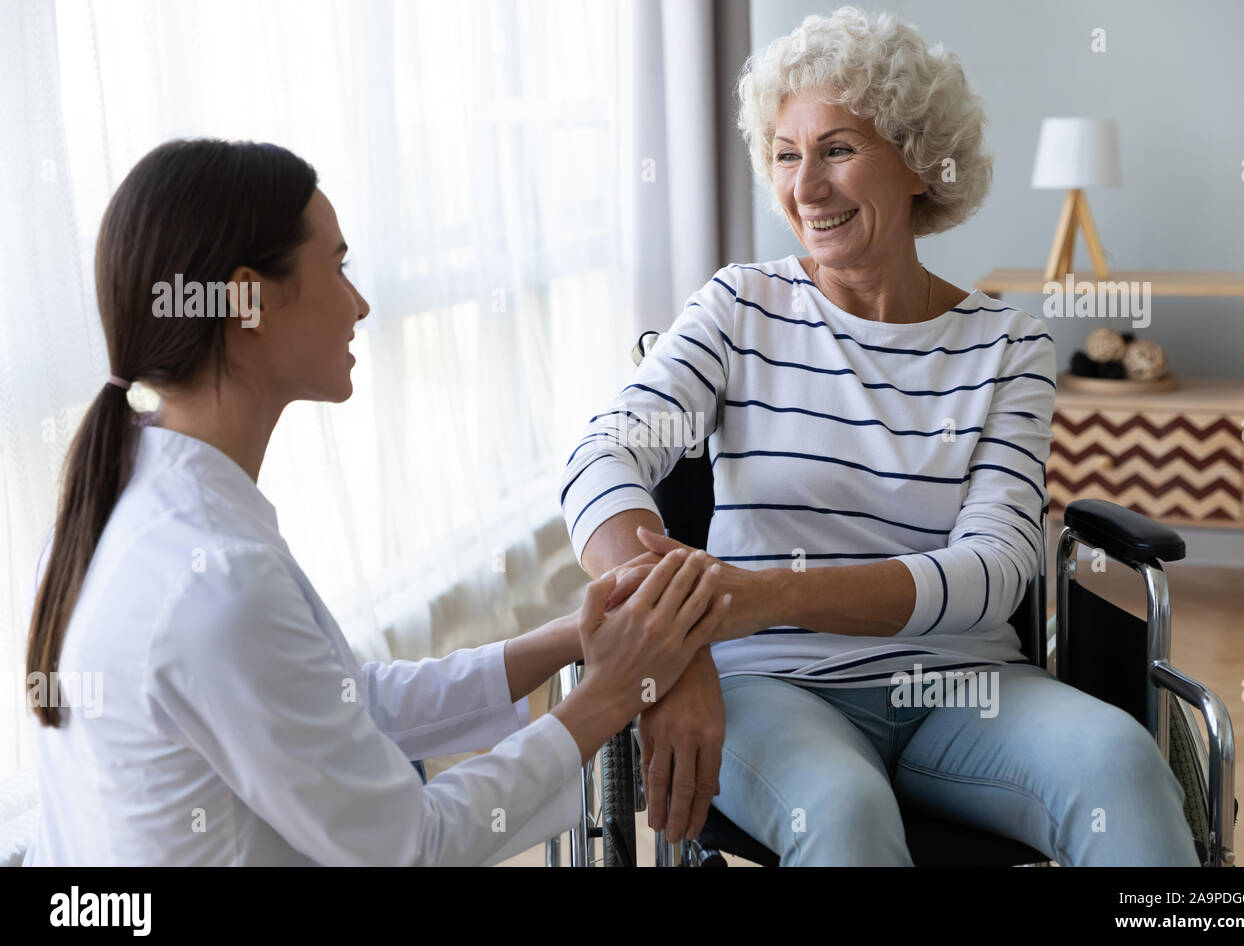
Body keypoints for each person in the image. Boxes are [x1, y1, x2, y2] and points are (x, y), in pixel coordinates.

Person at [560, 7, 1200, 865]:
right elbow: (600, 456)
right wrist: (672, 649)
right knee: (845, 812)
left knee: (1122, 765)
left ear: (919, 160)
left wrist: (766, 596)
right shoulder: (740, 308)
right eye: (786, 155)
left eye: (837, 149)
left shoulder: (1008, 347)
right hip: (772, 686)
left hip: (968, 686)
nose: (805, 188)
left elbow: (996, 569)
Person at [22, 137, 732, 866]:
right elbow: (411, 847)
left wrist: (574, 642)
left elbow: (347, 702)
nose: (360, 303)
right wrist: (606, 697)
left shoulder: (129, 500)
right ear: (248, 300)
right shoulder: (215, 583)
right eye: (337, 266)